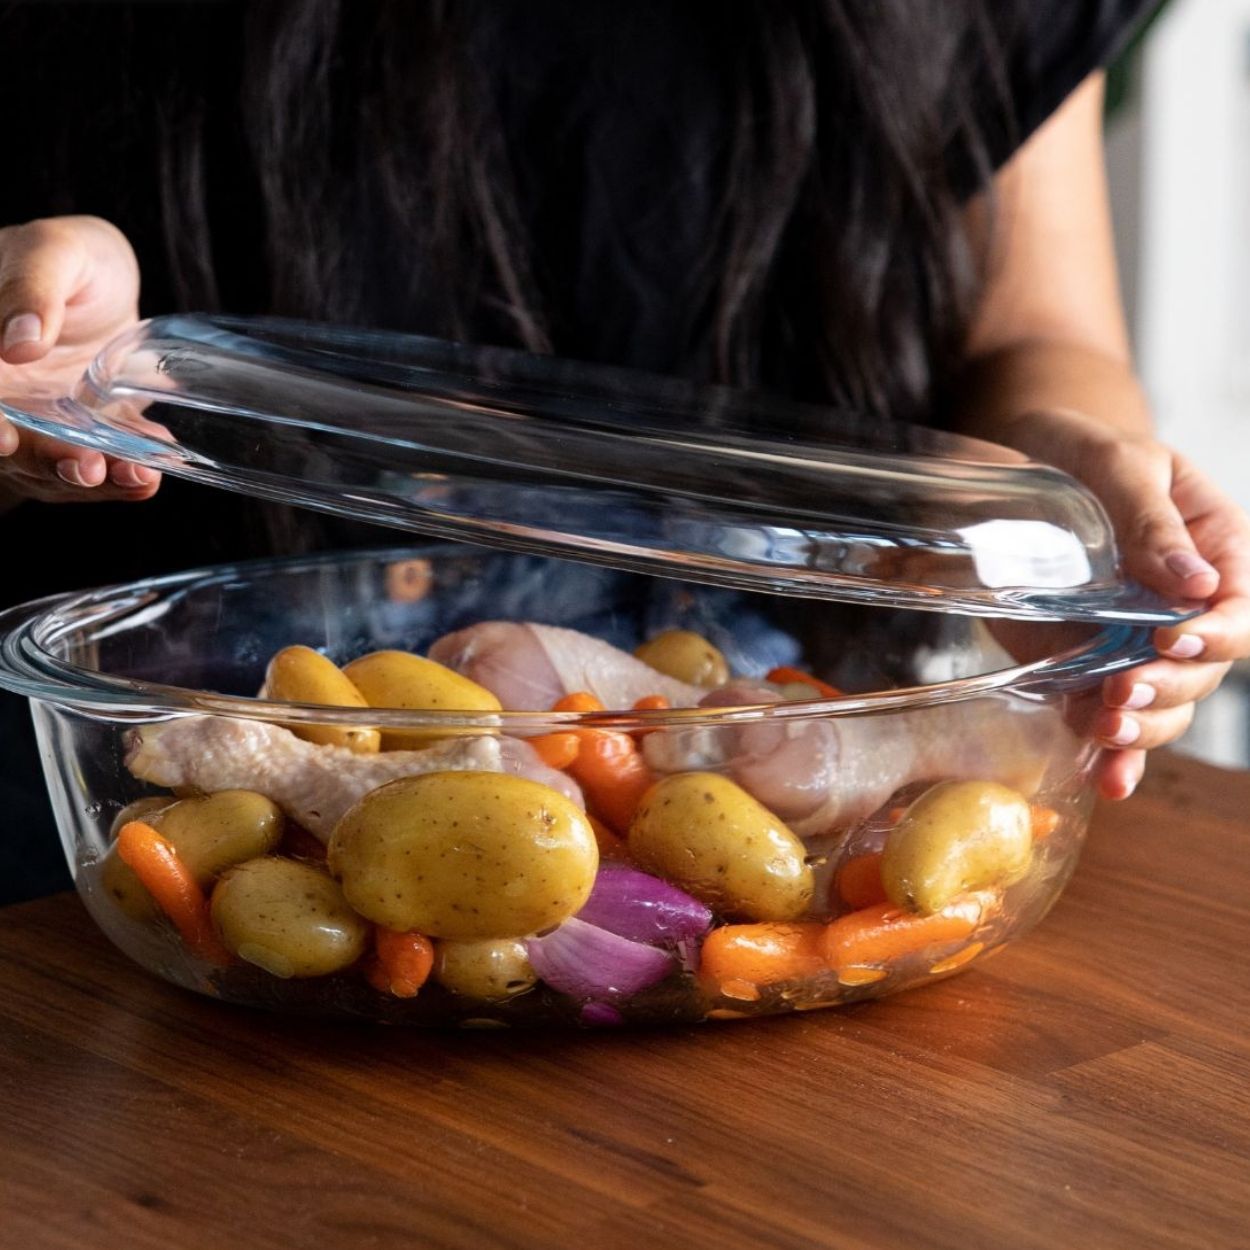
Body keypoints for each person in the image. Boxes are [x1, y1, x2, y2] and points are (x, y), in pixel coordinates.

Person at [0, 2, 1247, 901]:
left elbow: (1033, 331)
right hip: (104, 816)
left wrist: (1076, 480)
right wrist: (42, 358)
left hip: (793, 775)